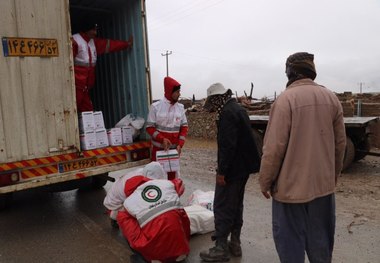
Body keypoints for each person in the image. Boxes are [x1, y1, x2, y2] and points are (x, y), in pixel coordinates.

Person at [259, 52, 346, 263]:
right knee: (321, 246)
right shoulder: (331, 98)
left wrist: (265, 181)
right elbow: (340, 144)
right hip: (323, 190)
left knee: (290, 248)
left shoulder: (285, 100)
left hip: (290, 193)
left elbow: (273, 149)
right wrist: (332, 176)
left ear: (291, 71)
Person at [199, 83, 261, 262]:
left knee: (222, 205)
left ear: (217, 98)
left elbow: (228, 146)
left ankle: (220, 248)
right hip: (243, 169)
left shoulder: (227, 113)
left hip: (232, 170)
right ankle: (235, 243)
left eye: (212, 101)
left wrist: (222, 172)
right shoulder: (238, 109)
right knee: (236, 205)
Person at [113, 162, 190, 263]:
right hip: (181, 251)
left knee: (122, 216)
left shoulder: (129, 201)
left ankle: (148, 256)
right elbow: (180, 185)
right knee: (177, 210)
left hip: (155, 255)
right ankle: (178, 252)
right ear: (162, 175)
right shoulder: (169, 185)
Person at [72, 22, 133, 112]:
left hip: (85, 88)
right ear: (86, 30)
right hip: (76, 87)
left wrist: (126, 44)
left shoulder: (93, 42)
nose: (95, 33)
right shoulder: (75, 41)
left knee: (88, 112)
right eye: (93, 30)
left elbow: (110, 45)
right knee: (72, 111)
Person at [146, 76, 189, 179]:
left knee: (172, 180)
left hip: (174, 152)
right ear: (170, 91)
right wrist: (162, 139)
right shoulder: (156, 107)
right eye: (177, 92)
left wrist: (180, 145)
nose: (179, 94)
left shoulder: (180, 108)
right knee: (156, 179)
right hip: (158, 151)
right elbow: (149, 127)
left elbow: (184, 127)